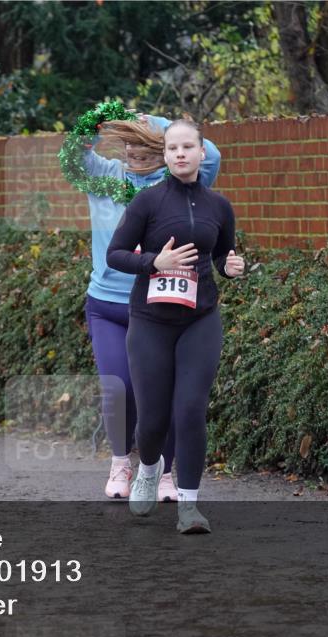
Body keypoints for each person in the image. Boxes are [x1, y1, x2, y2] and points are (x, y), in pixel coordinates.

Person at [107, 118, 244, 533]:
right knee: (151, 420)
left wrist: (232, 266)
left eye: (188, 147)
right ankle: (149, 467)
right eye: (173, 149)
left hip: (200, 319)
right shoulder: (147, 202)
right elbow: (116, 255)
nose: (180, 154)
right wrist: (154, 262)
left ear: (203, 153)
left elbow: (223, 255)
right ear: (165, 157)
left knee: (190, 410)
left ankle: (189, 505)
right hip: (150, 321)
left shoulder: (219, 206)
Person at [80, 115, 221, 500]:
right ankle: (120, 463)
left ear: (161, 150)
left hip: (162, 305)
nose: (135, 154)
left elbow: (212, 154)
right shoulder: (104, 177)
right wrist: (103, 118)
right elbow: (72, 154)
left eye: (145, 147)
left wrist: (156, 123)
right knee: (120, 388)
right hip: (108, 303)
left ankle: (164, 473)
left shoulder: (177, 184)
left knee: (167, 395)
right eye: (130, 146)